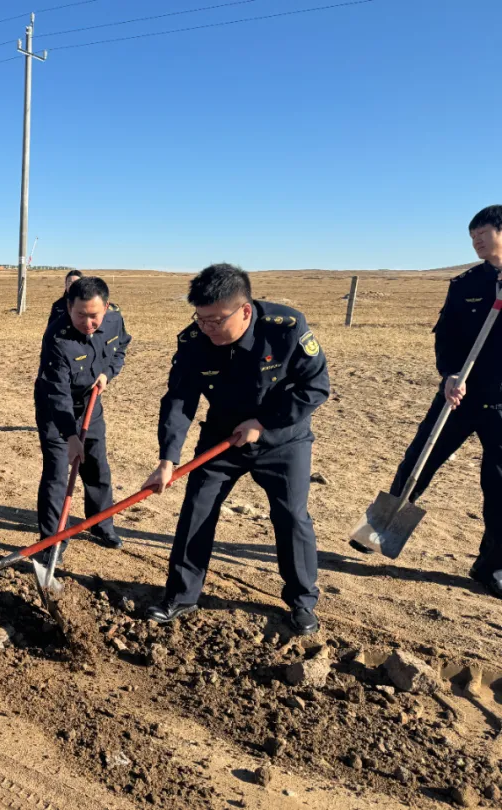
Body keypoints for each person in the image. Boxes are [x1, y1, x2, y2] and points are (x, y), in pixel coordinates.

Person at [143, 264, 329, 635]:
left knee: (291, 516)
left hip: (283, 438)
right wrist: (168, 458)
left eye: (215, 320)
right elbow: (179, 400)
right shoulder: (194, 341)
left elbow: (315, 387)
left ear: (244, 311)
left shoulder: (286, 329)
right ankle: (181, 595)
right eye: (200, 318)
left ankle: (302, 602)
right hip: (222, 437)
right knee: (197, 508)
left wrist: (262, 425)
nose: (206, 328)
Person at [368, 205, 502, 599]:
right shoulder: (465, 283)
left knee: (498, 484)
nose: (476, 241)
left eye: (483, 233)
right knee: (418, 459)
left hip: (500, 401)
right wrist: (449, 375)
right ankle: (379, 530)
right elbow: (445, 335)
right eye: (471, 235)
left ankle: (492, 565)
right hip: (458, 394)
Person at [34, 276, 131, 560]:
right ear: (68, 307)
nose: (88, 323)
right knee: (56, 473)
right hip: (55, 408)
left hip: (91, 401)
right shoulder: (57, 338)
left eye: (94, 316)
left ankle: (100, 524)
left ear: (106, 307)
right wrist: (70, 437)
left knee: (97, 465)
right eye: (80, 315)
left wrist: (108, 374)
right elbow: (58, 393)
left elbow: (121, 348)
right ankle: (51, 542)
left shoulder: (114, 321)